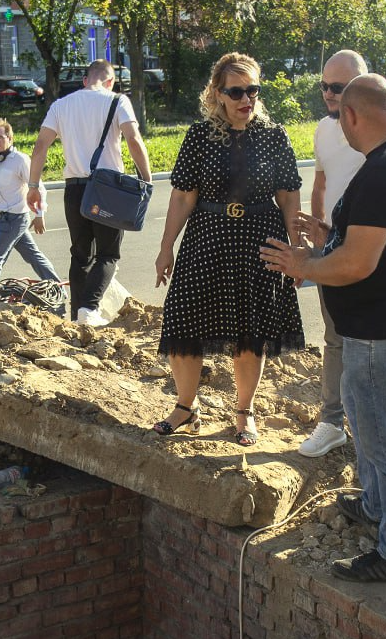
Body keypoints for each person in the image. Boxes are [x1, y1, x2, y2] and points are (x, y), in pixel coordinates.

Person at [261, 74, 386, 586]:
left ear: (351, 116)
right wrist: (330, 237)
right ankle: (375, 506)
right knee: (370, 431)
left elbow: (358, 264)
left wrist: (304, 264)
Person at [152, 52, 304, 446]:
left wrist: (298, 251)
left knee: (249, 331)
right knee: (183, 320)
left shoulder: (274, 135)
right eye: (236, 91)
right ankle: (186, 407)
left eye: (252, 90)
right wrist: (166, 247)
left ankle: (244, 413)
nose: (246, 99)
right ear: (218, 94)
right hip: (206, 237)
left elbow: (288, 197)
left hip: (260, 239)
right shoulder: (199, 136)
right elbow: (183, 198)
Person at [298, 49, 386, 458]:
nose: (329, 95)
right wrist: (319, 239)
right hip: (338, 242)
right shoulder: (325, 130)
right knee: (336, 337)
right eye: (324, 86)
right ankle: (332, 421)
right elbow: (321, 183)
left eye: (338, 88)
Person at [28, 60, 151, 326]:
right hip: (107, 189)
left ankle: (76, 316)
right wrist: (146, 179)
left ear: (85, 80)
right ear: (111, 82)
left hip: (74, 189)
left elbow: (40, 147)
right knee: (108, 254)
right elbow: (133, 139)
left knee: (80, 254)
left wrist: (33, 186)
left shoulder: (61, 105)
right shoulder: (118, 101)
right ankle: (89, 309)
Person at [0, 118, 60, 303]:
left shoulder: (19, 160)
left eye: (0, 137)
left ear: (10, 138)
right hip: (6, 218)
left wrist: (40, 214)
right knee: (34, 257)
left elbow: (39, 187)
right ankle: (58, 289)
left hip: (14, 218)